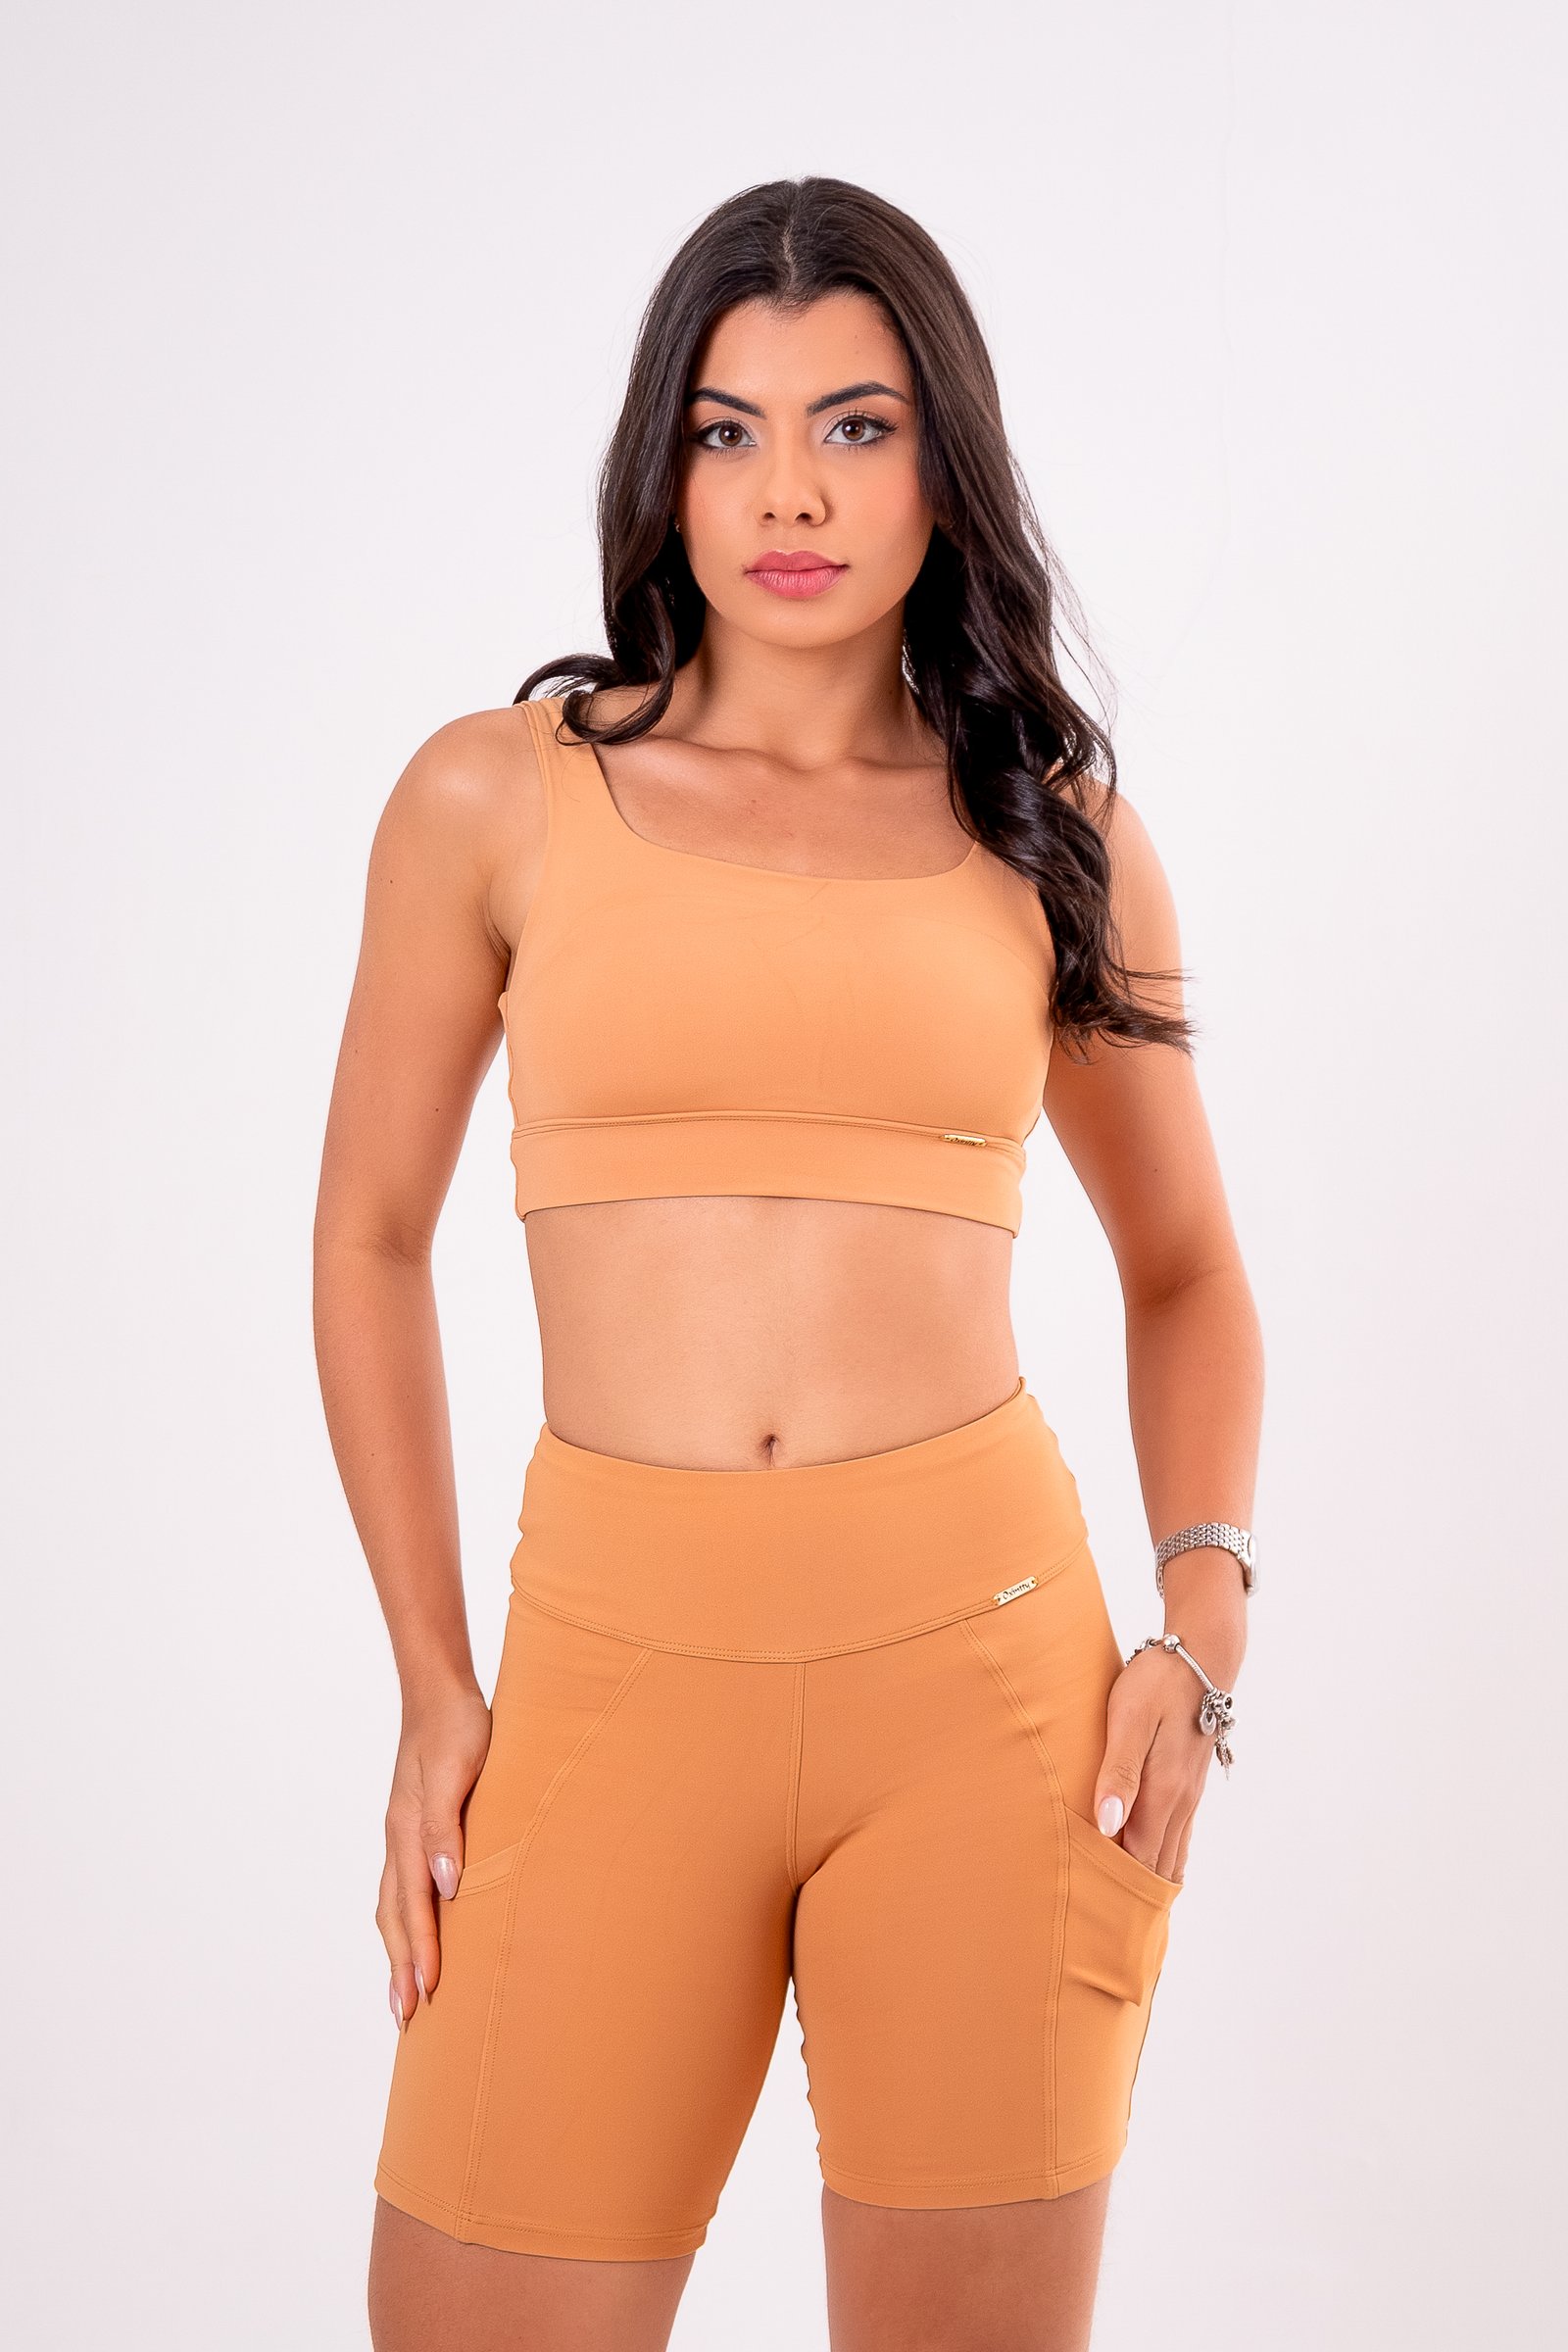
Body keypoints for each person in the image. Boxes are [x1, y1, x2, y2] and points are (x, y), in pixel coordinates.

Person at [314, 174, 1264, 2352]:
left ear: (944, 463)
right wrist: (434, 1678)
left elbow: (1189, 1266)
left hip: (988, 1696)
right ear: (664, 468)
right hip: (605, 1676)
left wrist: (1199, 1612)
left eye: (855, 425)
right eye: (726, 431)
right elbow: (365, 1238)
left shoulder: (1053, 834)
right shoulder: (492, 800)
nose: (790, 494)